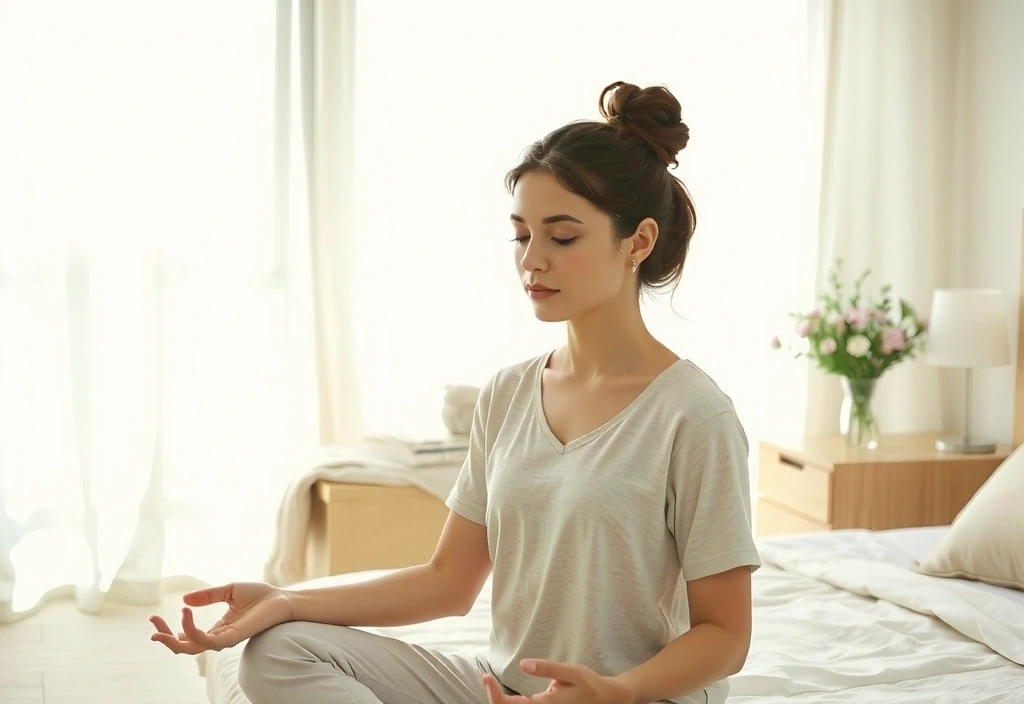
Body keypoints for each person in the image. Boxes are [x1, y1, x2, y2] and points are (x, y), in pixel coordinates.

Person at [149, 80, 761, 704]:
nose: (532, 261)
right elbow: (448, 581)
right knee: (276, 651)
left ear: (639, 242)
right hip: (503, 688)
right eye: (521, 235)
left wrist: (614, 691)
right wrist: (286, 600)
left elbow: (726, 635)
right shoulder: (508, 393)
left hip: (627, 698)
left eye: (562, 237)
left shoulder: (694, 416)